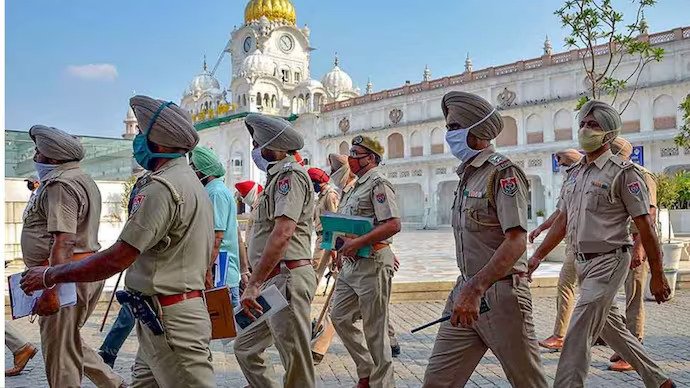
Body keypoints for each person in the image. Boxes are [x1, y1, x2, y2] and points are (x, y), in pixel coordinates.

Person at [21, 95, 216, 387]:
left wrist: (50, 275)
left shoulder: (162, 188)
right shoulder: (186, 180)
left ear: (158, 142)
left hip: (172, 320)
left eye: (140, 133)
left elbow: (119, 257)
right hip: (158, 317)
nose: (135, 139)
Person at [528, 100, 675, 388]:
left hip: (610, 260)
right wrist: (537, 257)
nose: (585, 129)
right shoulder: (576, 173)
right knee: (612, 328)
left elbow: (645, 225)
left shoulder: (624, 173)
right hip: (582, 262)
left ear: (608, 134)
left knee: (579, 331)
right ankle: (658, 380)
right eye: (583, 123)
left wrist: (657, 275)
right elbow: (562, 220)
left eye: (593, 125)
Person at [421, 91, 547, 388]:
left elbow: (516, 241)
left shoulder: (503, 173)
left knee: (528, 382)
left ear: (476, 132)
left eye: (454, 128)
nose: (448, 134)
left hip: (500, 296)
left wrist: (476, 288)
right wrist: (468, 289)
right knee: (437, 381)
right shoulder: (468, 175)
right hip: (465, 293)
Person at [17, 125, 125, 388]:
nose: (35, 157)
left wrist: (50, 288)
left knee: (60, 354)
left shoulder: (60, 185)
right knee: (68, 340)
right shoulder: (80, 178)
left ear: (53, 159)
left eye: (38, 152)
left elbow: (64, 241)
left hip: (63, 277)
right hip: (74, 273)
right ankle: (114, 383)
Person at [233, 114, 317, 388]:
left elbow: (282, 234)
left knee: (295, 359)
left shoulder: (290, 178)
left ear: (273, 145)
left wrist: (254, 283)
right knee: (245, 346)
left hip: (287, 279)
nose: (255, 149)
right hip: (272, 280)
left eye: (258, 143)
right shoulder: (274, 178)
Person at [330, 135, 402, 388]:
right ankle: (367, 369)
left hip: (372, 262)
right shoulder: (355, 186)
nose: (350, 158)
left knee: (375, 331)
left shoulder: (378, 184)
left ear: (370, 158)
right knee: (338, 317)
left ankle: (381, 384)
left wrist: (358, 243)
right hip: (351, 264)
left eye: (356, 153)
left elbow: (393, 225)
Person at [607, 136, 658, 372]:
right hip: (616, 244)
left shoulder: (640, 174)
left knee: (634, 296)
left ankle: (634, 348)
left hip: (633, 243)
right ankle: (624, 345)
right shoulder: (612, 172)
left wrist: (639, 247)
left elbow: (649, 214)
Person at [529, 148, 583, 351]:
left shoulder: (581, 180)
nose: (560, 167)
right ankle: (564, 334)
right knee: (576, 290)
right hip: (575, 244)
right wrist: (542, 227)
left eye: (563, 164)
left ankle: (561, 335)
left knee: (575, 290)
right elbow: (561, 213)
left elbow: (563, 218)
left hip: (589, 246)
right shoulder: (570, 182)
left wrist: (538, 255)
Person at [190, 146, 248, 308]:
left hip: (219, 275)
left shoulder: (215, 193)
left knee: (224, 329)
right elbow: (236, 235)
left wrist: (207, 271)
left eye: (194, 168)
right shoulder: (217, 190)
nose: (192, 173)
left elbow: (217, 237)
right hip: (220, 274)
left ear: (202, 170)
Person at [307, 166, 340, 282]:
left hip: (326, 238)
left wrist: (333, 247)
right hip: (322, 237)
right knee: (336, 271)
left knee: (315, 270)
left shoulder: (330, 195)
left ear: (317, 182)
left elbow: (334, 221)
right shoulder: (322, 196)